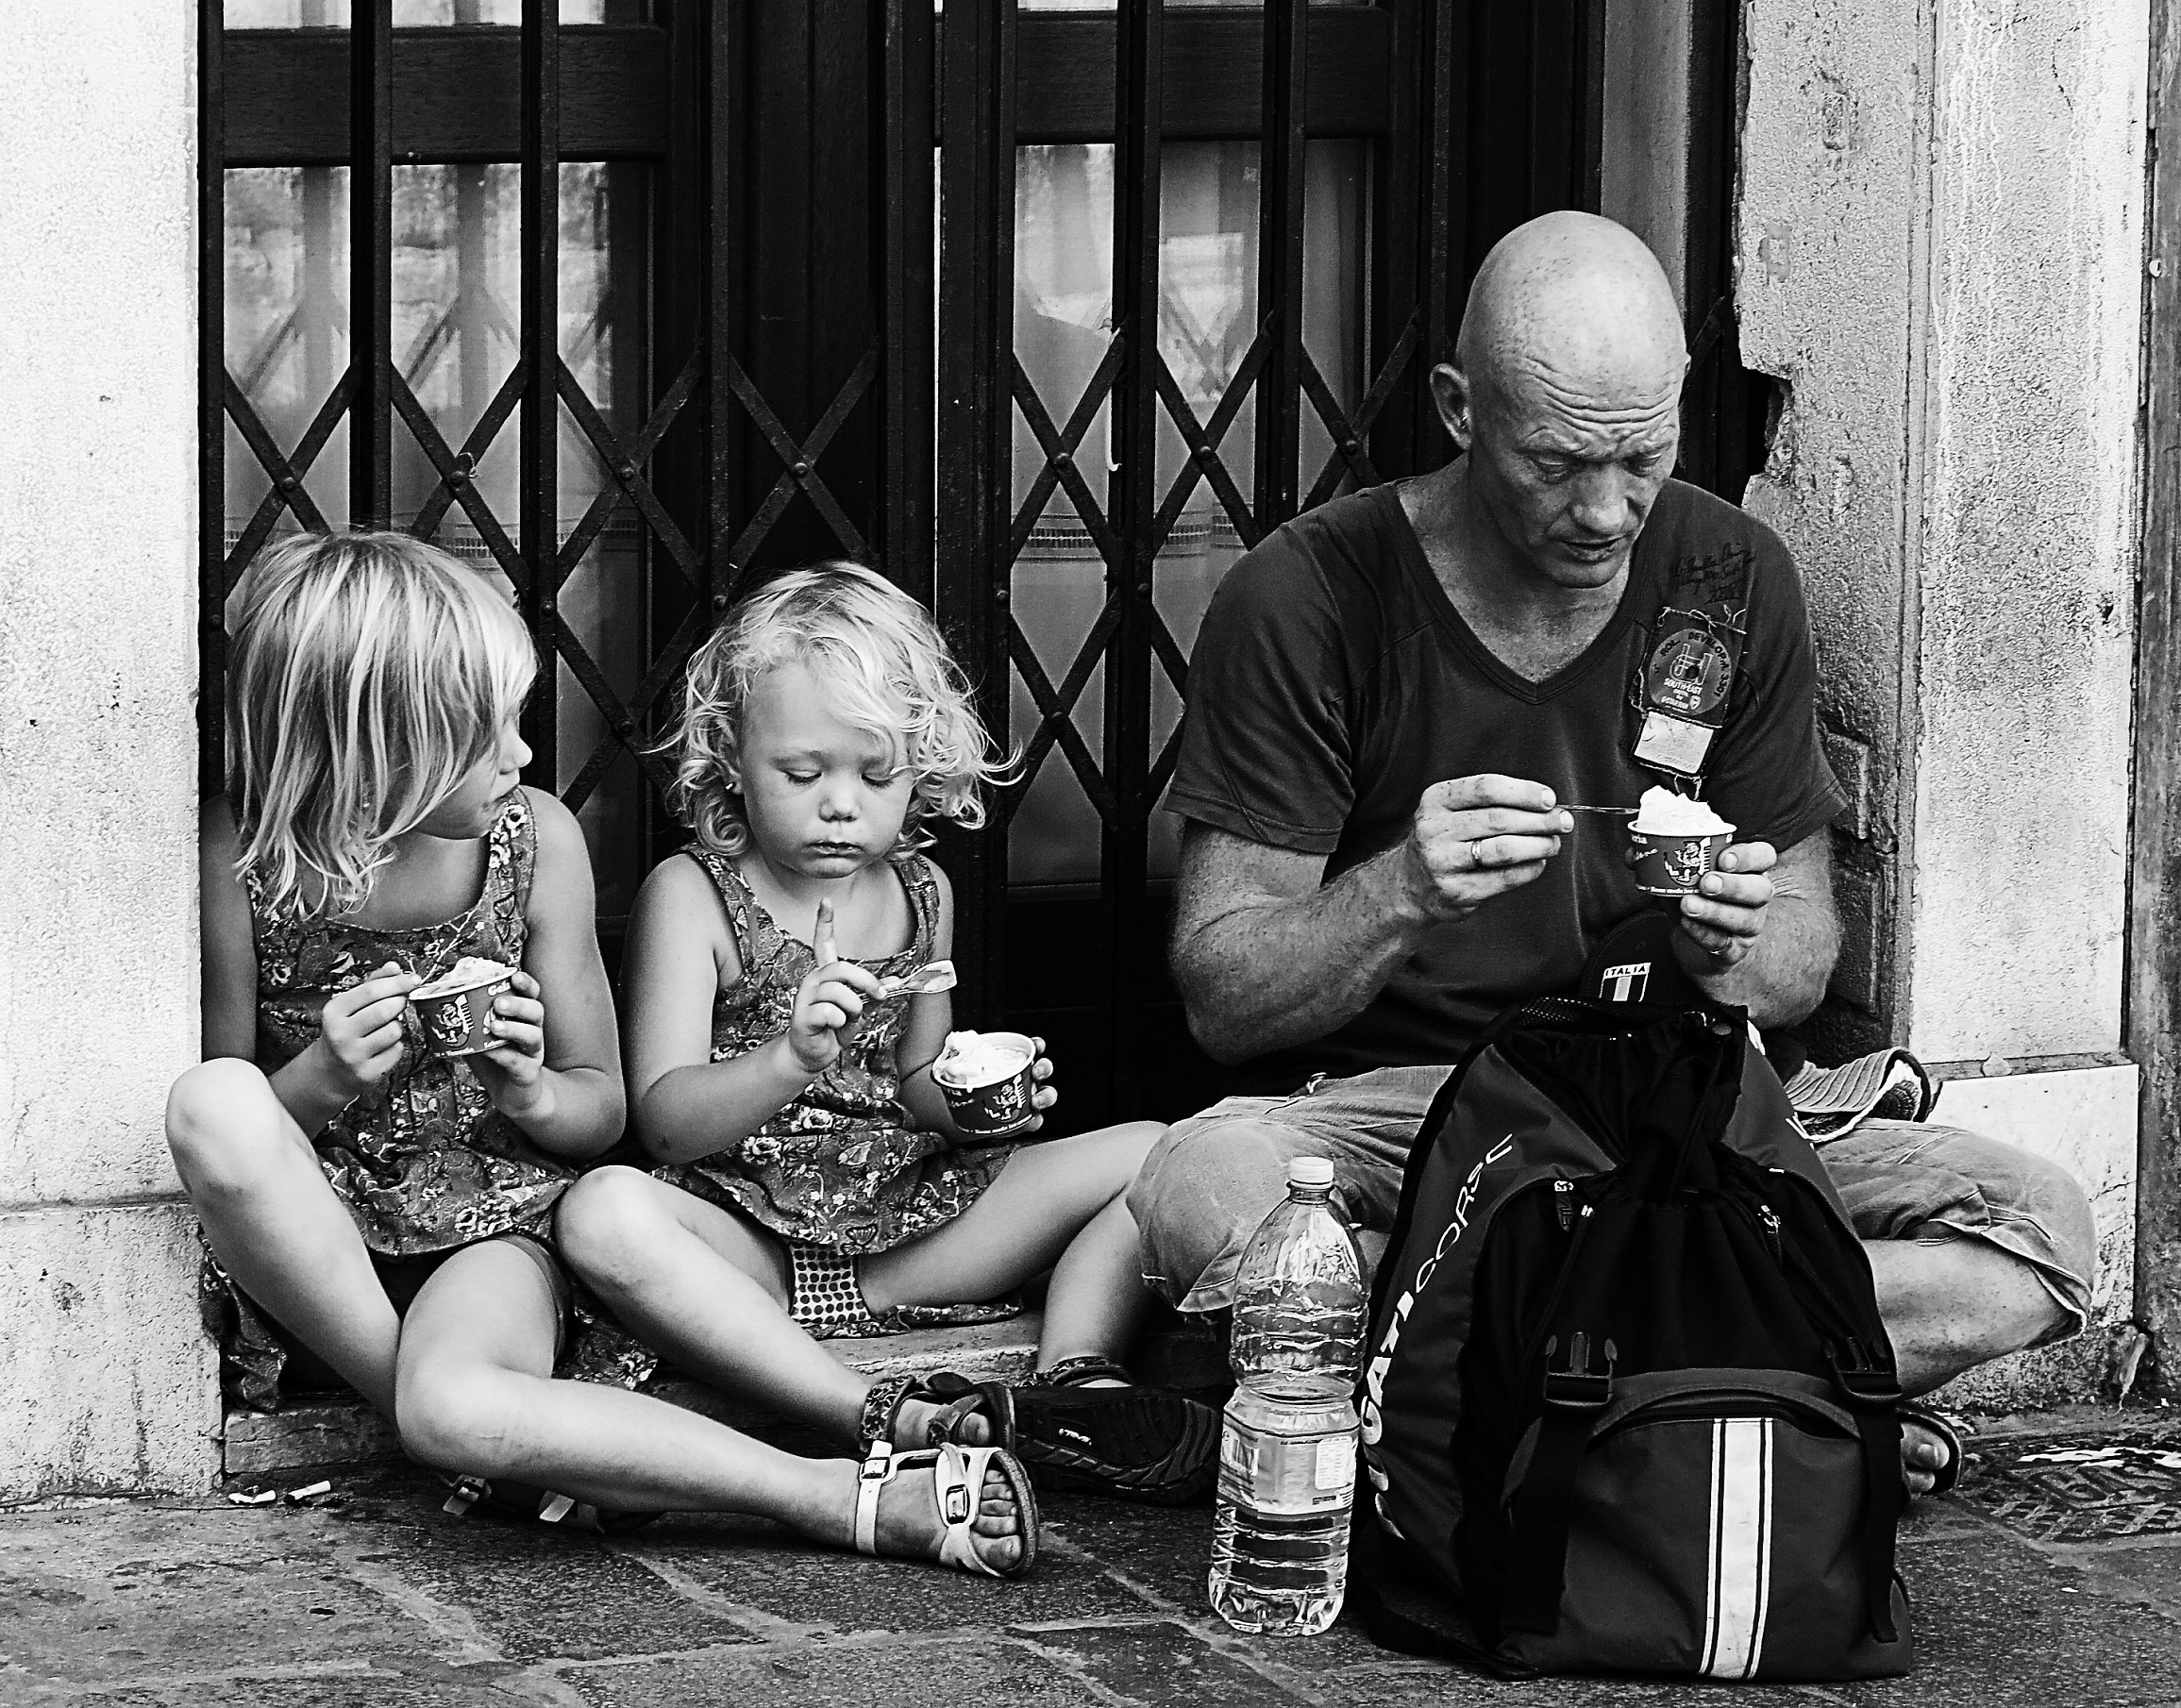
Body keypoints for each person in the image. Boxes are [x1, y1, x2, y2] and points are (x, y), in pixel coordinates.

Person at [1133, 211, 2096, 1497]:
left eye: (1642, 457)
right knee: (1203, 1189)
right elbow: (1221, 993)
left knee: (2041, 1234)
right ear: (1458, 408)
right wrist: (1399, 890)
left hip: (1683, 1106)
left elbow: (1804, 961)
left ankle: (1555, 1397)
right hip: (1417, 1113)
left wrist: (1731, 936)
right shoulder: (1306, 599)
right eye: (1557, 464)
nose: (1606, 511)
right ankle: (1741, 1391)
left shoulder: (1730, 571)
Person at [166, 533, 1037, 1578]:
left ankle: (817, 1496)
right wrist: (323, 1076)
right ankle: (518, 1439)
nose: (522, 755)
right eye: (483, 734)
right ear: (380, 746)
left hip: (488, 1241)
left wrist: (528, 1086)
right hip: (321, 1257)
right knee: (213, 1101)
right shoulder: (242, 859)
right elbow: (237, 1160)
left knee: (450, 1402)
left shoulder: (532, 841)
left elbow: (605, 1116)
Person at [554, 561, 1219, 1505]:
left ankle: (1075, 1386)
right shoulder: (695, 894)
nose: (840, 803)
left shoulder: (921, 891)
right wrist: (790, 1056)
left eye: (876, 774)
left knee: (1157, 1153)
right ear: (732, 756)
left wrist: (985, 1104)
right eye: (802, 771)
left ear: (922, 765)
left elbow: (918, 1088)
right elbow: (662, 1123)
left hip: (902, 1234)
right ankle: (863, 1408)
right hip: (750, 1242)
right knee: (604, 1213)